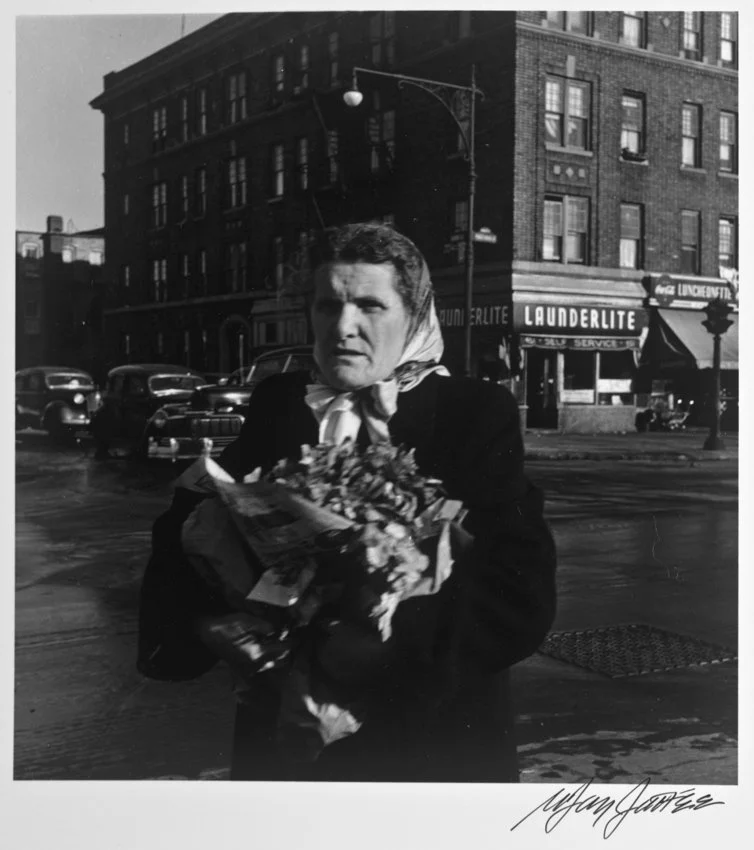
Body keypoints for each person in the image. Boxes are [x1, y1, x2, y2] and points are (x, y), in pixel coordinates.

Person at [138, 222, 556, 782]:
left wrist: (370, 651)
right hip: (288, 744)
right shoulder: (278, 404)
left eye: (369, 306)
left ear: (414, 314)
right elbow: (182, 534)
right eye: (327, 305)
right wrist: (207, 625)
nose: (344, 327)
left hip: (425, 743)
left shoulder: (474, 414)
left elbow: (518, 593)